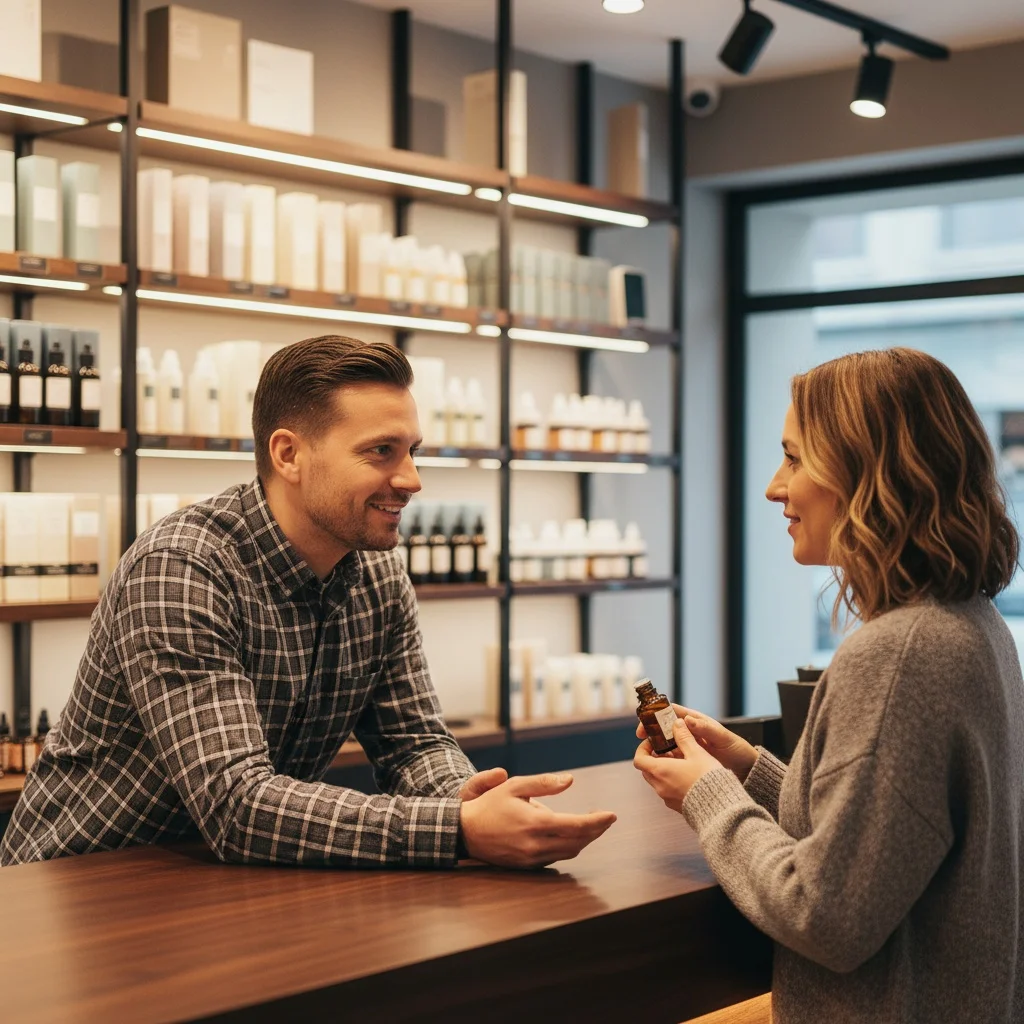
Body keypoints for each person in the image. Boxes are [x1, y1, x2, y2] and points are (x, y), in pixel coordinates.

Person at [1, 335, 615, 869]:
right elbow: (236, 803)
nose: (412, 479)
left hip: (224, 880)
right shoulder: (183, 568)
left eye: (413, 450)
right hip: (74, 890)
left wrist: (469, 798)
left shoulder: (378, 577)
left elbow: (414, 744)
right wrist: (454, 830)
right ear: (288, 454)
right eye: (381, 451)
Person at [634, 348, 1024, 1022]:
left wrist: (707, 794)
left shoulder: (897, 654)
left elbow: (824, 915)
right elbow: (887, 834)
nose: (773, 487)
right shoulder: (971, 624)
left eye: (794, 458)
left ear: (869, 472)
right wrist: (745, 769)